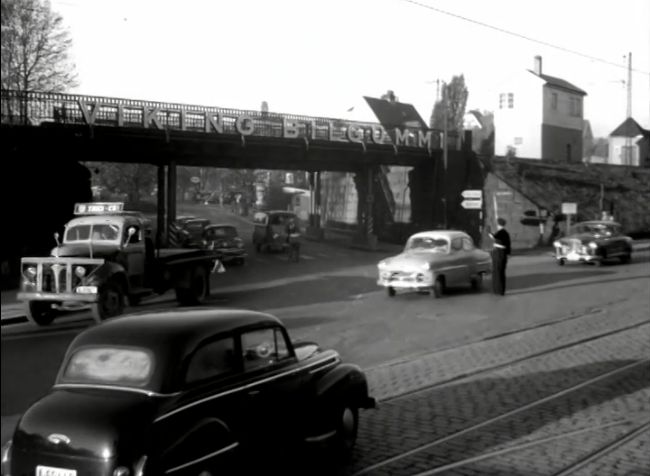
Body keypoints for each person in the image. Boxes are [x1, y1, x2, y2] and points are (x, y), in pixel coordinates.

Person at [489, 217, 511, 295]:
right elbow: (508, 245)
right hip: (501, 253)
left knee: (498, 271)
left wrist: (489, 233)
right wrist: (508, 254)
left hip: (499, 253)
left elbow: (494, 237)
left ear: (499, 224)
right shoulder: (505, 233)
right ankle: (498, 289)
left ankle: (499, 290)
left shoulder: (502, 232)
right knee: (498, 271)